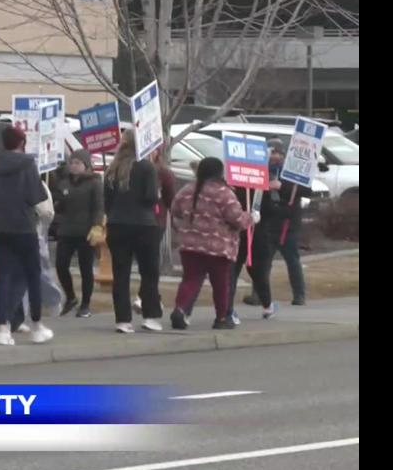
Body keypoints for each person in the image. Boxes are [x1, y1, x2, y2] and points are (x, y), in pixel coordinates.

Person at [0, 126, 54, 345]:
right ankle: (37, 325)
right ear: (22, 143)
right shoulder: (27, 164)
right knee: (32, 276)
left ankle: (2, 328)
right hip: (24, 226)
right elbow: (35, 195)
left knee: (2, 278)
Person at [167, 158, 252, 331]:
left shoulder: (188, 190)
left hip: (190, 245)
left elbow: (175, 209)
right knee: (220, 284)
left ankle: (180, 309)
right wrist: (250, 218)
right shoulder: (224, 193)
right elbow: (237, 219)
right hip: (218, 247)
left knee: (190, 279)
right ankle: (221, 318)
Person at [103, 130, 164, 334]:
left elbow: (106, 201)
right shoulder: (146, 167)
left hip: (117, 224)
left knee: (121, 274)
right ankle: (150, 316)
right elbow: (150, 197)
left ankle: (122, 320)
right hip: (144, 224)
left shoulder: (112, 169)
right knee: (149, 272)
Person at [239, 147, 304, 318]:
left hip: (287, 225)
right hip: (265, 226)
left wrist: (281, 187)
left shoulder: (292, 173)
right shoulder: (259, 172)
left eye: (277, 153)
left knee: (292, 260)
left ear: (283, 156)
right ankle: (259, 296)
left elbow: (305, 191)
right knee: (261, 263)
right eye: (271, 153)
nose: (274, 156)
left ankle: (299, 295)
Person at [51, 149, 103, 318]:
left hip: (85, 232)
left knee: (85, 268)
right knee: (61, 265)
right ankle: (71, 296)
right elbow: (59, 205)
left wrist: (97, 226)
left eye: (77, 163)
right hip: (66, 230)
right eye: (72, 162)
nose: (73, 166)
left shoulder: (94, 183)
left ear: (86, 165)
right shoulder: (64, 182)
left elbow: (98, 207)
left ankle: (85, 304)